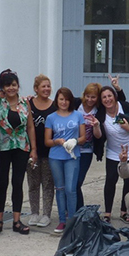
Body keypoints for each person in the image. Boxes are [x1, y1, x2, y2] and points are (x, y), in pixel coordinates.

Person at [0, 69, 38, 236]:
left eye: (13, 84)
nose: (11, 88)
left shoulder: (25, 103)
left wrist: (34, 149)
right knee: (1, 183)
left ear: (18, 86)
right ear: (2, 87)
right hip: (2, 147)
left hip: (21, 147)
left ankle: (17, 221)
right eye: (7, 85)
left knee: (17, 183)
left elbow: (30, 127)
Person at [74, 76, 126, 209]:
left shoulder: (99, 110)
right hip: (71, 148)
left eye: (93, 97)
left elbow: (121, 102)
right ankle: (74, 209)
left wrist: (117, 87)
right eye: (88, 96)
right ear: (84, 95)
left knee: (78, 181)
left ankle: (78, 210)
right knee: (70, 183)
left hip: (87, 150)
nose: (90, 100)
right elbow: (58, 102)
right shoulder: (76, 104)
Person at [96, 86, 129, 223]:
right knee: (110, 181)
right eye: (104, 97)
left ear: (115, 96)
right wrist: (95, 126)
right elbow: (98, 135)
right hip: (113, 152)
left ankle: (124, 212)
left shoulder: (126, 107)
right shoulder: (100, 114)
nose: (107, 99)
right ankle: (107, 213)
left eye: (109, 96)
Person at [44, 87, 86, 233]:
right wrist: (57, 141)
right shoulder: (51, 118)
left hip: (72, 156)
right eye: (61, 99)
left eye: (67, 99)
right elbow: (47, 141)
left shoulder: (78, 115)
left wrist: (75, 140)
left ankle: (71, 221)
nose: (64, 102)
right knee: (60, 189)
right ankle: (62, 220)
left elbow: (83, 137)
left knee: (71, 189)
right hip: (55, 157)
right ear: (57, 100)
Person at [27, 74, 57, 228]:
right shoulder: (28, 103)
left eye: (48, 86)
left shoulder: (55, 106)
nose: (46, 89)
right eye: (43, 86)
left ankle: (46, 214)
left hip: (49, 152)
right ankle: (34, 213)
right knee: (33, 184)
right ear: (36, 88)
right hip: (32, 151)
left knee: (47, 184)